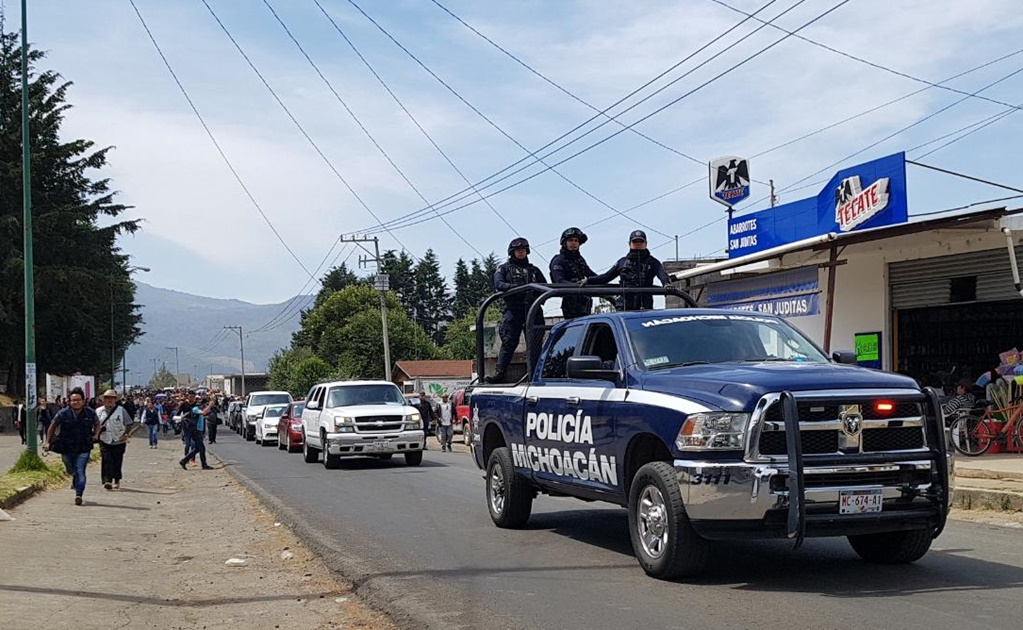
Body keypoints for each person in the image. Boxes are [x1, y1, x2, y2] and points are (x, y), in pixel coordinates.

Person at [489, 237, 548, 384]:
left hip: (533, 309)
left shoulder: (533, 270)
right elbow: (498, 284)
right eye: (518, 250)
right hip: (513, 310)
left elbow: (546, 286)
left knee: (535, 344)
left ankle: (535, 374)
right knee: (509, 342)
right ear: (512, 252)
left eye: (523, 250)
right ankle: (500, 373)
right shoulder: (504, 268)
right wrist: (515, 289)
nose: (521, 252)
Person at [585, 229, 670, 311]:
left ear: (646, 244)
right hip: (625, 305)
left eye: (641, 242)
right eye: (635, 242)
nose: (638, 244)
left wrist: (666, 284)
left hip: (645, 305)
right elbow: (606, 277)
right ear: (629, 244)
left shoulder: (653, 262)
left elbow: (662, 274)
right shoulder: (622, 262)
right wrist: (588, 280)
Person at [45, 387, 100, 506]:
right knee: (69, 467)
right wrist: (48, 442)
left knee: (81, 470)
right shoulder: (63, 413)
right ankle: (74, 476)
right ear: (69, 401)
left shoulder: (90, 412)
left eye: (78, 400)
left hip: (84, 446)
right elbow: (52, 426)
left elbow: (97, 423)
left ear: (83, 400)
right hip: (66, 446)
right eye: (73, 400)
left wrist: (96, 435)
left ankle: (79, 494)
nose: (76, 402)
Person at [549, 227, 596, 319]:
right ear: (565, 242)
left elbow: (592, 275)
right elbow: (559, 281)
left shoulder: (580, 260)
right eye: (570, 240)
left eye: (576, 240)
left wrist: (607, 285)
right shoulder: (558, 260)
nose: (573, 243)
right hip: (570, 303)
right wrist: (578, 286)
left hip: (585, 302)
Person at [96, 389, 134, 490]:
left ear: (115, 400)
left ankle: (116, 479)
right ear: (103, 400)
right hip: (105, 439)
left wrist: (126, 433)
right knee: (106, 459)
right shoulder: (98, 411)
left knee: (117, 460)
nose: (109, 400)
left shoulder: (121, 410)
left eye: (112, 398)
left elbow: (129, 423)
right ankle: (107, 480)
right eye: (107, 398)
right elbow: (95, 424)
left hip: (119, 439)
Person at [179, 405, 213, 470]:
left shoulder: (199, 410)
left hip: (198, 431)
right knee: (201, 448)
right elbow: (203, 412)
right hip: (196, 431)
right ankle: (204, 464)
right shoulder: (195, 409)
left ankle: (184, 461)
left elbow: (204, 414)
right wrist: (209, 405)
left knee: (197, 449)